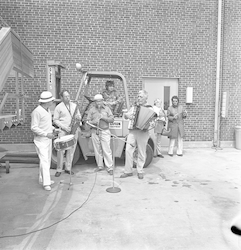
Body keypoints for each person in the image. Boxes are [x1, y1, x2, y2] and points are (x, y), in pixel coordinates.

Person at [120, 90, 153, 180]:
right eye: (138, 96)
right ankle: (128, 171)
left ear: (146, 98)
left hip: (143, 132)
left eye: (141, 96)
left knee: (142, 152)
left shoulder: (150, 109)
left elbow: (153, 122)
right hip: (133, 131)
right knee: (128, 150)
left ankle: (140, 171)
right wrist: (127, 116)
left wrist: (150, 125)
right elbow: (127, 115)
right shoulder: (134, 107)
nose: (139, 98)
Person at [31, 91, 60, 191]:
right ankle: (46, 183)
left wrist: (53, 129)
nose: (52, 102)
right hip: (41, 140)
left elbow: (46, 124)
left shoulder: (47, 110)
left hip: (47, 139)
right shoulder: (37, 112)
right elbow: (34, 127)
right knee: (44, 161)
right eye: (51, 101)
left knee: (46, 160)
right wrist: (46, 134)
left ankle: (42, 179)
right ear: (46, 102)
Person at [53, 90, 82, 177]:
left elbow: (79, 116)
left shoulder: (74, 106)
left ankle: (68, 168)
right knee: (61, 150)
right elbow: (55, 120)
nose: (68, 98)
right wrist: (64, 127)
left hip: (73, 129)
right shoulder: (58, 107)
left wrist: (78, 117)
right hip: (63, 130)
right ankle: (59, 169)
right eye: (66, 96)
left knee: (71, 150)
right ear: (61, 98)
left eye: (69, 96)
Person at [86, 94, 114, 175]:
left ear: (102, 101)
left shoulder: (107, 109)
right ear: (94, 102)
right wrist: (93, 122)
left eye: (100, 101)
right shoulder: (91, 110)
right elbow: (87, 121)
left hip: (105, 131)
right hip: (95, 131)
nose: (98, 102)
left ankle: (109, 167)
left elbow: (112, 119)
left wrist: (103, 118)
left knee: (107, 150)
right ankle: (100, 166)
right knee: (97, 150)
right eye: (96, 101)